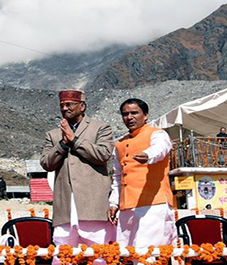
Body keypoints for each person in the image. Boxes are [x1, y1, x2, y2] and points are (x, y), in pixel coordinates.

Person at [41, 90, 115, 251]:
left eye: (69, 104)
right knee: (63, 254)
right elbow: (46, 163)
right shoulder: (53, 135)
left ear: (82, 106)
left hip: (93, 206)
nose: (65, 108)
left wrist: (74, 140)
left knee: (99, 254)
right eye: (62, 105)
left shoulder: (100, 128)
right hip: (65, 208)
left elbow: (103, 154)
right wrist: (62, 144)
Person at [107, 98, 177, 247]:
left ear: (145, 115)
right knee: (128, 253)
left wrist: (148, 155)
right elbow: (118, 177)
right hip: (127, 207)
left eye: (134, 113)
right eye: (125, 114)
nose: (129, 117)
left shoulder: (157, 134)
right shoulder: (119, 143)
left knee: (147, 254)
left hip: (153, 205)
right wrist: (113, 202)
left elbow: (161, 148)